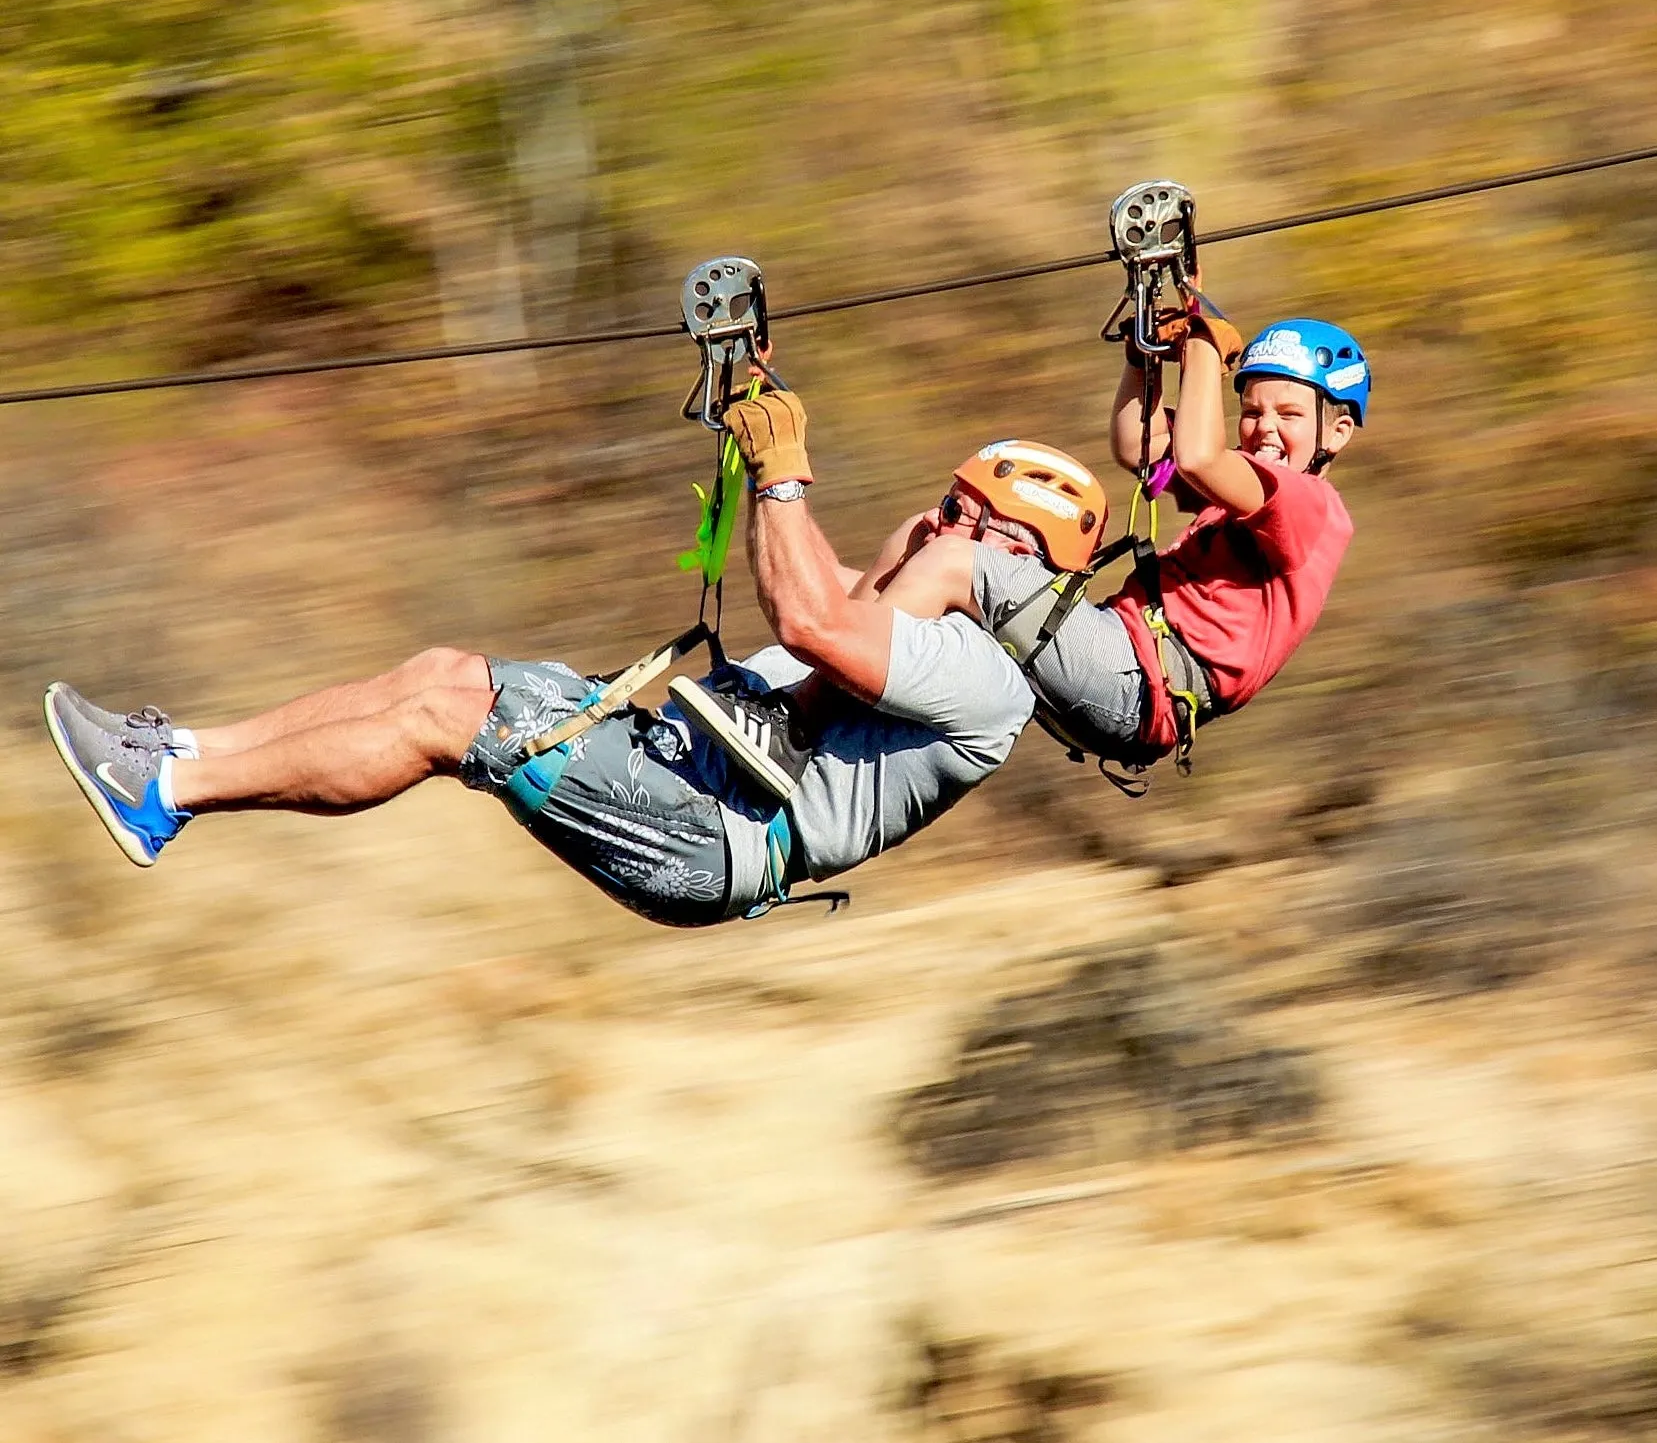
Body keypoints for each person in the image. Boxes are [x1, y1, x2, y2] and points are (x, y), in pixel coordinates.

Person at [43, 401, 1110, 926]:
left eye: (972, 523)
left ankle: (165, 792)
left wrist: (789, 472)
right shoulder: (923, 615)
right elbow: (810, 585)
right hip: (687, 770)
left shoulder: (986, 677)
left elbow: (811, 620)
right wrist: (755, 424)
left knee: (451, 722)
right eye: (947, 504)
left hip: (720, 835)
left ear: (1025, 564)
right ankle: (174, 754)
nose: (940, 527)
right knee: (444, 673)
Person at [673, 309, 1369, 792]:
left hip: (1138, 680)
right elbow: (1138, 448)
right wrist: (1141, 356)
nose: (1262, 428)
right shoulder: (1240, 494)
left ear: (1334, 432)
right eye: (1251, 408)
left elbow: (1194, 449)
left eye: (1287, 415)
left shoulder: (1310, 508)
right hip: (1119, 664)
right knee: (931, 537)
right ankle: (820, 650)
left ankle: (797, 724)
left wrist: (1200, 354)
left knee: (954, 565)